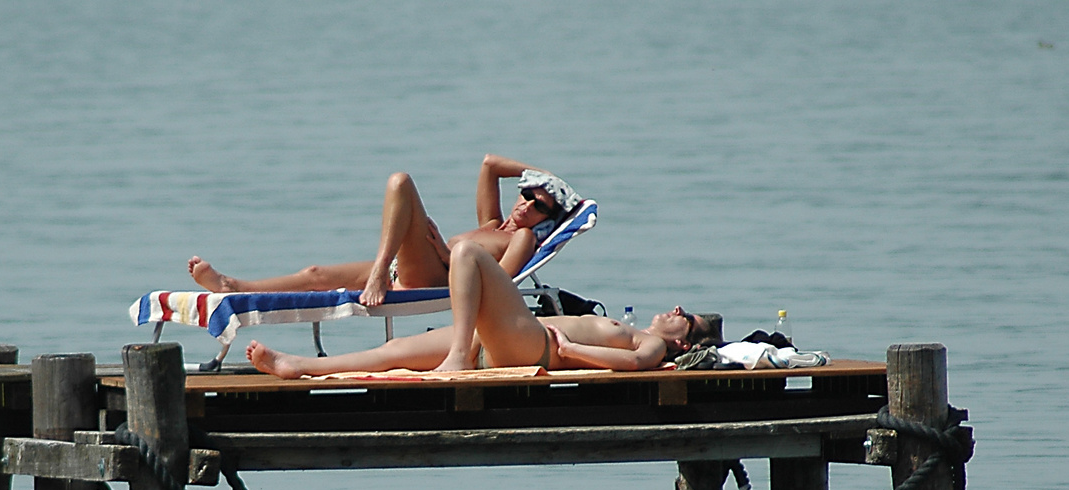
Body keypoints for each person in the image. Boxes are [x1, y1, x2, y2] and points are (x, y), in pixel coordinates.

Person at [246, 240, 720, 379]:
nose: (677, 309)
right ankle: (302, 366)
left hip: (534, 346)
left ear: (685, 341)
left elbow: (635, 364)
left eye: (688, 316)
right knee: (398, 350)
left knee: (470, 254)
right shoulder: (642, 329)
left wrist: (573, 349)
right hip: (510, 340)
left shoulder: (655, 345)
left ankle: (456, 354)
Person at [187, 154, 582, 308]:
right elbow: (489, 165)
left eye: (538, 205)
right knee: (315, 275)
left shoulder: (522, 239)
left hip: (431, 275)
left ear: (546, 219)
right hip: (406, 268)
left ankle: (379, 270)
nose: (526, 204)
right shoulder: (492, 225)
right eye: (526, 194)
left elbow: (503, 279)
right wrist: (545, 176)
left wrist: (446, 257)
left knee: (400, 182)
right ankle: (232, 285)